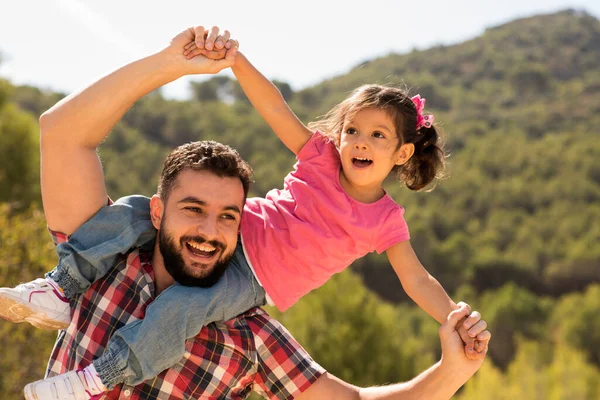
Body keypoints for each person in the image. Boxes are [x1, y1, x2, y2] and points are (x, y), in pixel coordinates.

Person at [0, 25, 490, 399]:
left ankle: (96, 379)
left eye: (378, 137)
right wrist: (227, 61)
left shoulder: (252, 334)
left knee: (182, 309)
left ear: (402, 154)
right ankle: (61, 287)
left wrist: (453, 341)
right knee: (126, 213)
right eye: (353, 132)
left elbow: (414, 281)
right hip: (229, 240)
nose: (360, 143)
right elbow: (276, 108)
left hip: (252, 280)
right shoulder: (115, 264)